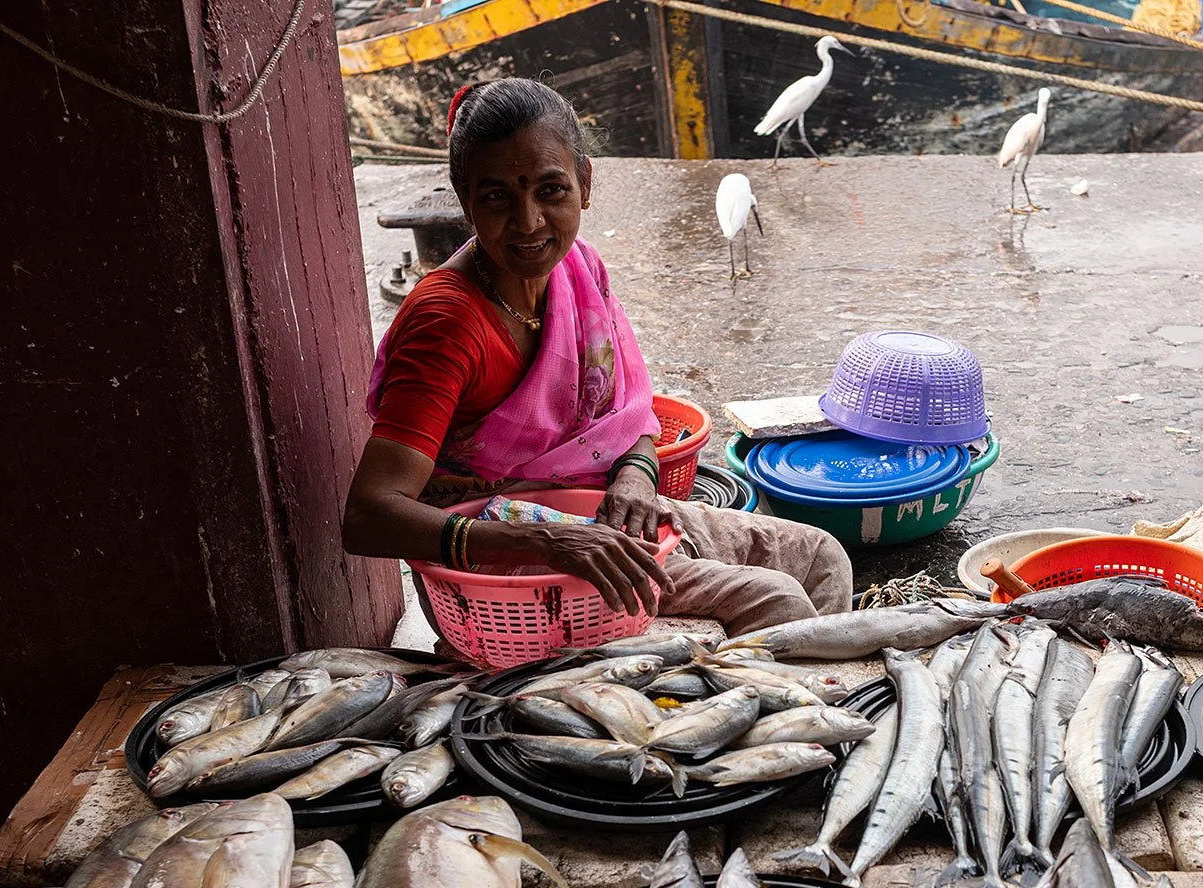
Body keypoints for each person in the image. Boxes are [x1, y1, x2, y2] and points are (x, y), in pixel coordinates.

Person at [343, 79, 852, 637]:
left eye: (551, 190)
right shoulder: (447, 323)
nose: (530, 221)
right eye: (496, 197)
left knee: (821, 556)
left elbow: (624, 421)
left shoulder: (578, 268)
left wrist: (635, 477)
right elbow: (370, 515)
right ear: (463, 200)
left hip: (600, 515)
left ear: (585, 183)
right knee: (776, 598)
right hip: (512, 568)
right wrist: (549, 539)